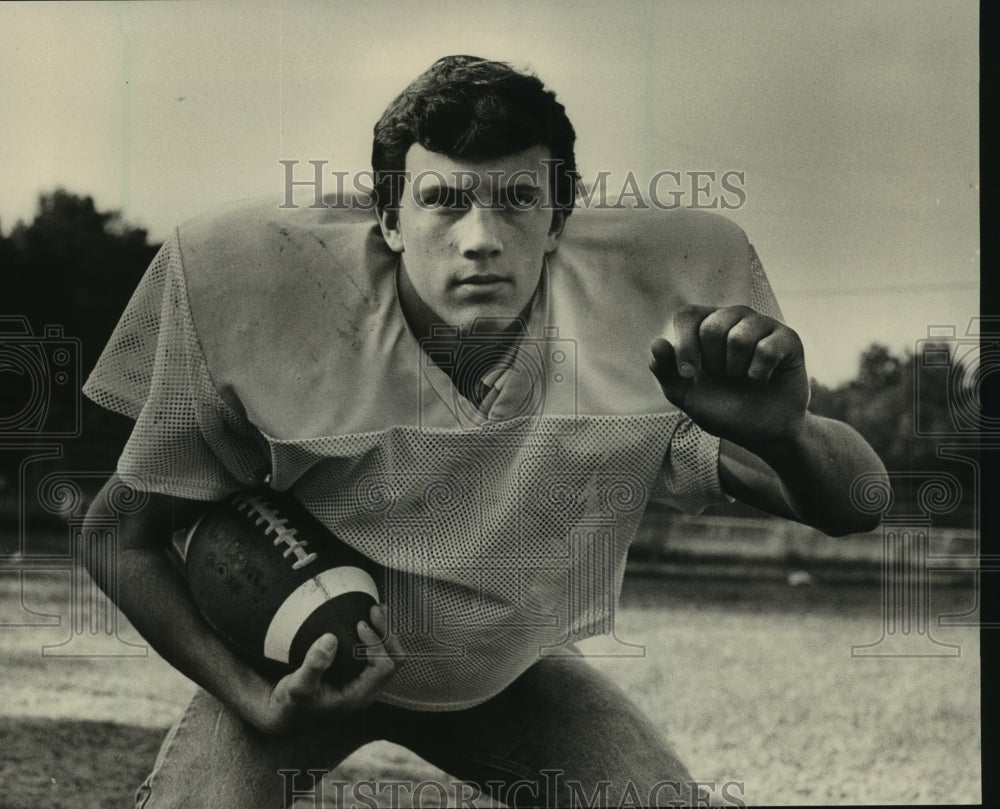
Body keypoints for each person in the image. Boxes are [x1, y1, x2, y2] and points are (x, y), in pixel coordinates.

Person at [82, 55, 885, 808]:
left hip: (507, 676)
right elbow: (120, 534)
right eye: (442, 200)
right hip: (302, 661)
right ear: (389, 220)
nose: (481, 239)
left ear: (560, 217)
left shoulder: (638, 341)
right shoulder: (277, 303)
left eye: (517, 200)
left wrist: (789, 434)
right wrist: (261, 702)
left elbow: (858, 503)